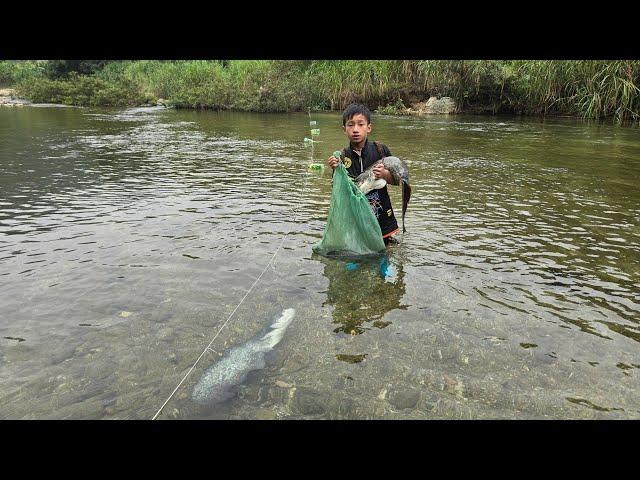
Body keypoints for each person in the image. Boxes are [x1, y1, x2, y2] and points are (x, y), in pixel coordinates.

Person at [327, 103, 400, 245]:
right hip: (355, 214)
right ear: (344, 129)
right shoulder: (342, 156)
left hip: (381, 213)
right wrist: (336, 170)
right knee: (357, 244)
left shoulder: (380, 150)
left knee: (385, 246)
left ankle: (384, 264)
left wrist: (385, 174)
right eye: (350, 125)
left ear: (369, 128)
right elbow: (337, 189)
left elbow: (397, 180)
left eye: (361, 124)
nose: (355, 130)